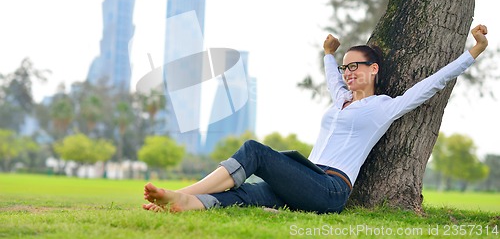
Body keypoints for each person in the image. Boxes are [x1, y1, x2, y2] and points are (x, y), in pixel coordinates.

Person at [142, 24, 489, 214]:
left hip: (330, 189)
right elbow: (332, 79)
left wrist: (471, 52)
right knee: (247, 195)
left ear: (374, 69)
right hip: (305, 179)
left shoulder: (385, 106)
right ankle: (190, 204)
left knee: (255, 151)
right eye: (346, 68)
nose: (348, 73)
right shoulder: (340, 100)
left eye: (356, 67)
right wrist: (329, 55)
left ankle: (180, 192)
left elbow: (431, 85)